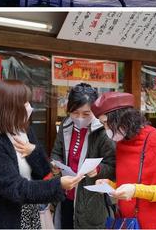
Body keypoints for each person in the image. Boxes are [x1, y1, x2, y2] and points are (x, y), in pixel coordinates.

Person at [0, 80, 84, 229]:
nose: (29, 107)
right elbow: (14, 188)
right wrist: (58, 185)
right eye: (25, 102)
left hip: (32, 212)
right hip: (6, 219)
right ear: (11, 106)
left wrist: (33, 151)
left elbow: (43, 170)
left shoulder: (25, 130)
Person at [91, 92, 156, 229]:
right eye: (102, 124)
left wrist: (135, 190)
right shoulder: (122, 143)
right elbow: (132, 183)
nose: (106, 129)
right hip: (130, 223)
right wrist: (110, 185)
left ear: (121, 118)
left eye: (106, 123)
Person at [50, 83, 115, 229]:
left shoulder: (103, 131)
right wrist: (55, 164)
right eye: (74, 113)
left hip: (91, 204)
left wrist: (98, 170)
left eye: (86, 114)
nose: (79, 118)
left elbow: (113, 165)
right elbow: (56, 153)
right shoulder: (65, 125)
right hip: (65, 196)